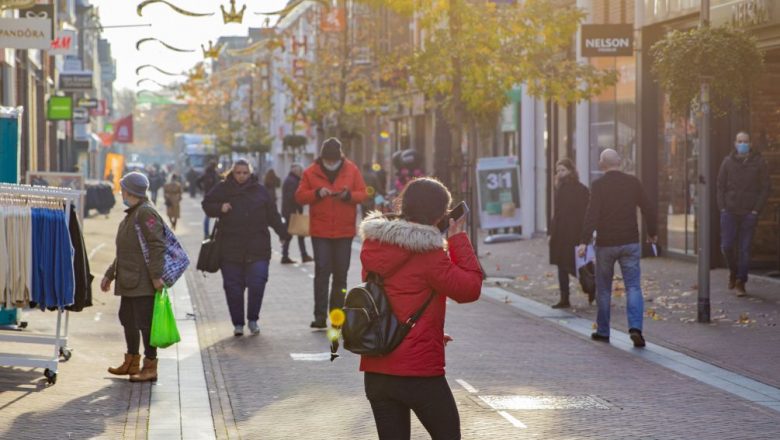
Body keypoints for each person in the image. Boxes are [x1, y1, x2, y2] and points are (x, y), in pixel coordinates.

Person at [359, 178, 483, 439]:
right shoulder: (428, 255)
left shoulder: (374, 245)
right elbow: (470, 289)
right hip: (418, 374)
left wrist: (430, 333)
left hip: (377, 371)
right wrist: (458, 237)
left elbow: (394, 299)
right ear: (439, 214)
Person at [578, 149, 657, 348]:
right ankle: (635, 328)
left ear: (602, 163)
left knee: (604, 289)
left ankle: (603, 331)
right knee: (633, 286)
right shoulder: (632, 183)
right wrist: (652, 232)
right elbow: (648, 207)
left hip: (606, 244)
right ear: (619, 162)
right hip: (630, 241)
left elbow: (592, 214)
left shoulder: (598, 186)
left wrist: (583, 241)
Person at [202, 159, 290, 336]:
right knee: (233, 287)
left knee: (258, 283)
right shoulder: (223, 188)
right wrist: (221, 207)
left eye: (245, 173)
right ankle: (238, 324)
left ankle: (253, 320)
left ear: (251, 174)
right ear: (232, 173)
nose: (241, 176)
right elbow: (207, 204)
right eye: (238, 172)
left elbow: (273, 215)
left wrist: (283, 234)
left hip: (258, 247)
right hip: (230, 248)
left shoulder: (260, 191)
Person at [100, 172, 166, 382]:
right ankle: (131, 362)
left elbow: (157, 245)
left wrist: (156, 276)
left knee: (145, 324)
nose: (121, 193)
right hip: (128, 279)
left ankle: (150, 366)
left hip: (143, 281)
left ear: (129, 191)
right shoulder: (133, 212)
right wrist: (110, 274)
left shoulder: (146, 213)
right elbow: (125, 251)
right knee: (127, 319)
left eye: (122, 189)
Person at [295, 138, 367, 329]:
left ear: (340, 157)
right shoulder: (311, 171)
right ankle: (319, 317)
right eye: (327, 160)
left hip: (344, 231)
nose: (331, 163)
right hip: (321, 232)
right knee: (322, 273)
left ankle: (337, 317)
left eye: (333, 160)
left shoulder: (352, 170)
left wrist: (348, 196)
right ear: (322, 157)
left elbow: (362, 193)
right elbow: (300, 196)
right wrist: (317, 193)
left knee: (340, 276)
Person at [717, 131, 771, 296]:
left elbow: (766, 187)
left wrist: (756, 210)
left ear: (750, 144)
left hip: (749, 212)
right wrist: (723, 208)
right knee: (726, 246)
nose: (742, 144)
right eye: (740, 141)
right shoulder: (727, 162)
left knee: (745, 249)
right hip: (730, 212)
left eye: (745, 141)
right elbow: (720, 186)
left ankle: (741, 281)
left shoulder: (759, 162)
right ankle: (733, 271)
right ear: (735, 143)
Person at [548, 158, 590, 308]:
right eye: (558, 171)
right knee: (573, 264)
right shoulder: (582, 188)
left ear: (571, 171)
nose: (560, 173)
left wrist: (552, 232)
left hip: (564, 233)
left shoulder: (564, 188)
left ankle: (567, 297)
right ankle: (589, 287)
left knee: (565, 265)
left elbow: (559, 213)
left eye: (563, 170)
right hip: (574, 232)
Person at [281, 163, 313, 264]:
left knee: (299, 234)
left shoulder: (290, 179)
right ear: (296, 171)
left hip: (289, 211)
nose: (302, 173)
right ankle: (287, 255)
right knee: (294, 234)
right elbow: (294, 197)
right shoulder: (293, 181)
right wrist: (299, 208)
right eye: (300, 172)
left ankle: (301, 255)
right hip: (292, 212)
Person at [198, 161, 221, 238]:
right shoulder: (214, 174)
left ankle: (206, 233)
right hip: (215, 196)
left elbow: (197, 181)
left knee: (208, 215)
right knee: (219, 214)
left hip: (208, 195)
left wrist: (202, 189)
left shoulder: (206, 174)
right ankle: (216, 233)